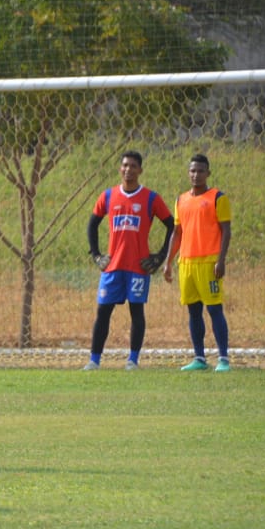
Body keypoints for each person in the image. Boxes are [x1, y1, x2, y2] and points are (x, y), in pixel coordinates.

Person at [83, 151, 174, 371]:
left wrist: (160, 256)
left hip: (137, 267)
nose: (128, 169)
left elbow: (172, 225)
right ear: (119, 169)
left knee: (137, 312)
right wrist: (96, 254)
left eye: (133, 166)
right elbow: (92, 224)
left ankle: (132, 360)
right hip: (112, 266)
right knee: (103, 312)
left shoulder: (151, 198)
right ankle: (94, 361)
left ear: (140, 170)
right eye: (125, 165)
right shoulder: (108, 196)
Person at [164, 153, 232, 372]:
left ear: (208, 173)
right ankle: (199, 358)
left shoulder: (217, 197)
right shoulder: (181, 200)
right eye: (193, 170)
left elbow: (226, 231)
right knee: (193, 311)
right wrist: (168, 262)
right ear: (188, 173)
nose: (196, 175)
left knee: (214, 309)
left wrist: (221, 260)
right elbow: (177, 232)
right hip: (187, 263)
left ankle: (223, 358)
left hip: (209, 262)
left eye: (200, 171)